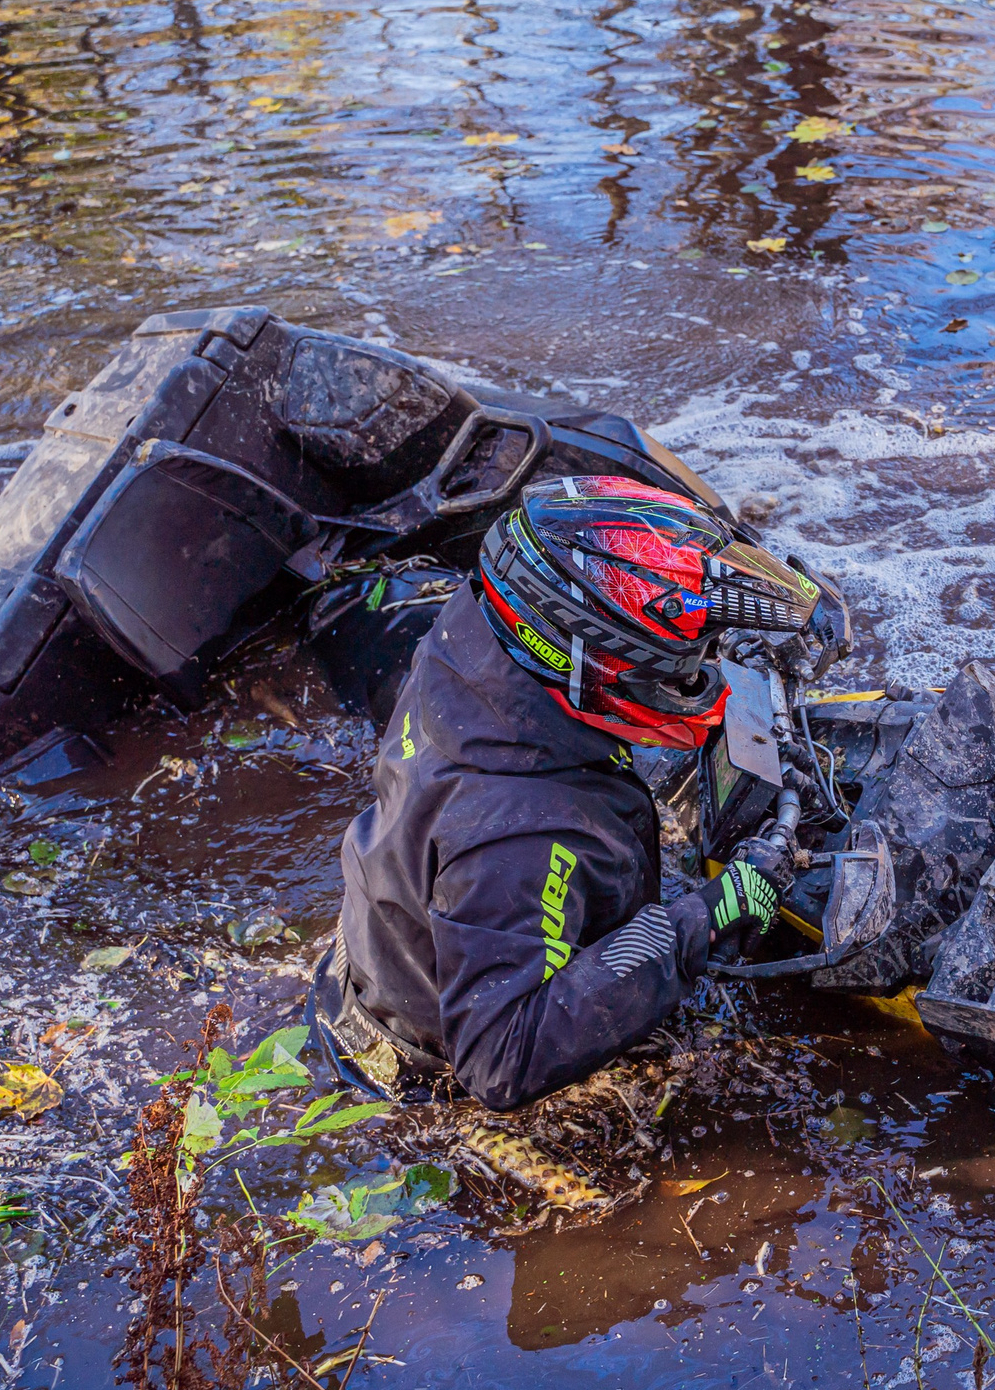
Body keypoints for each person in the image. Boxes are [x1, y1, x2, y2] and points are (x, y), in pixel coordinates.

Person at [322, 475, 833, 1108]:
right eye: (683, 664)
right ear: (589, 658)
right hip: (427, 1060)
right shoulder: (519, 836)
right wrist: (705, 919)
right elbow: (500, 1059)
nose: (699, 673)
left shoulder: (474, 643)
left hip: (390, 943)